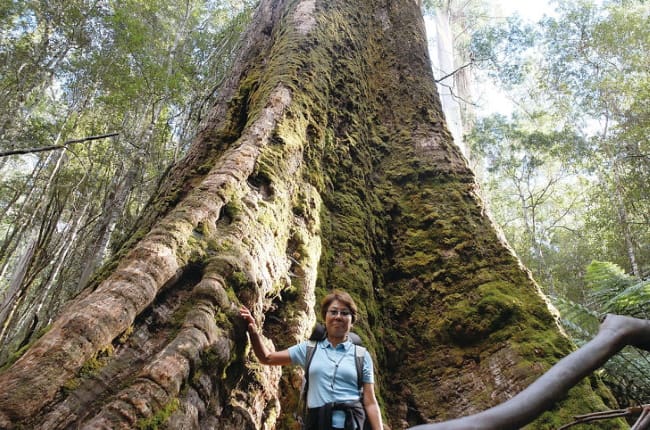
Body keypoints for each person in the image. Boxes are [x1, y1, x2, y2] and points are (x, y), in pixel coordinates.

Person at [240, 290, 384, 430]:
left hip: (352, 424)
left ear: (352, 320)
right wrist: (253, 330)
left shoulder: (361, 356)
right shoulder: (309, 349)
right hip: (318, 423)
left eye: (345, 313)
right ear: (325, 317)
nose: (338, 317)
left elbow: (370, 401)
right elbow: (267, 358)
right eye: (333, 312)